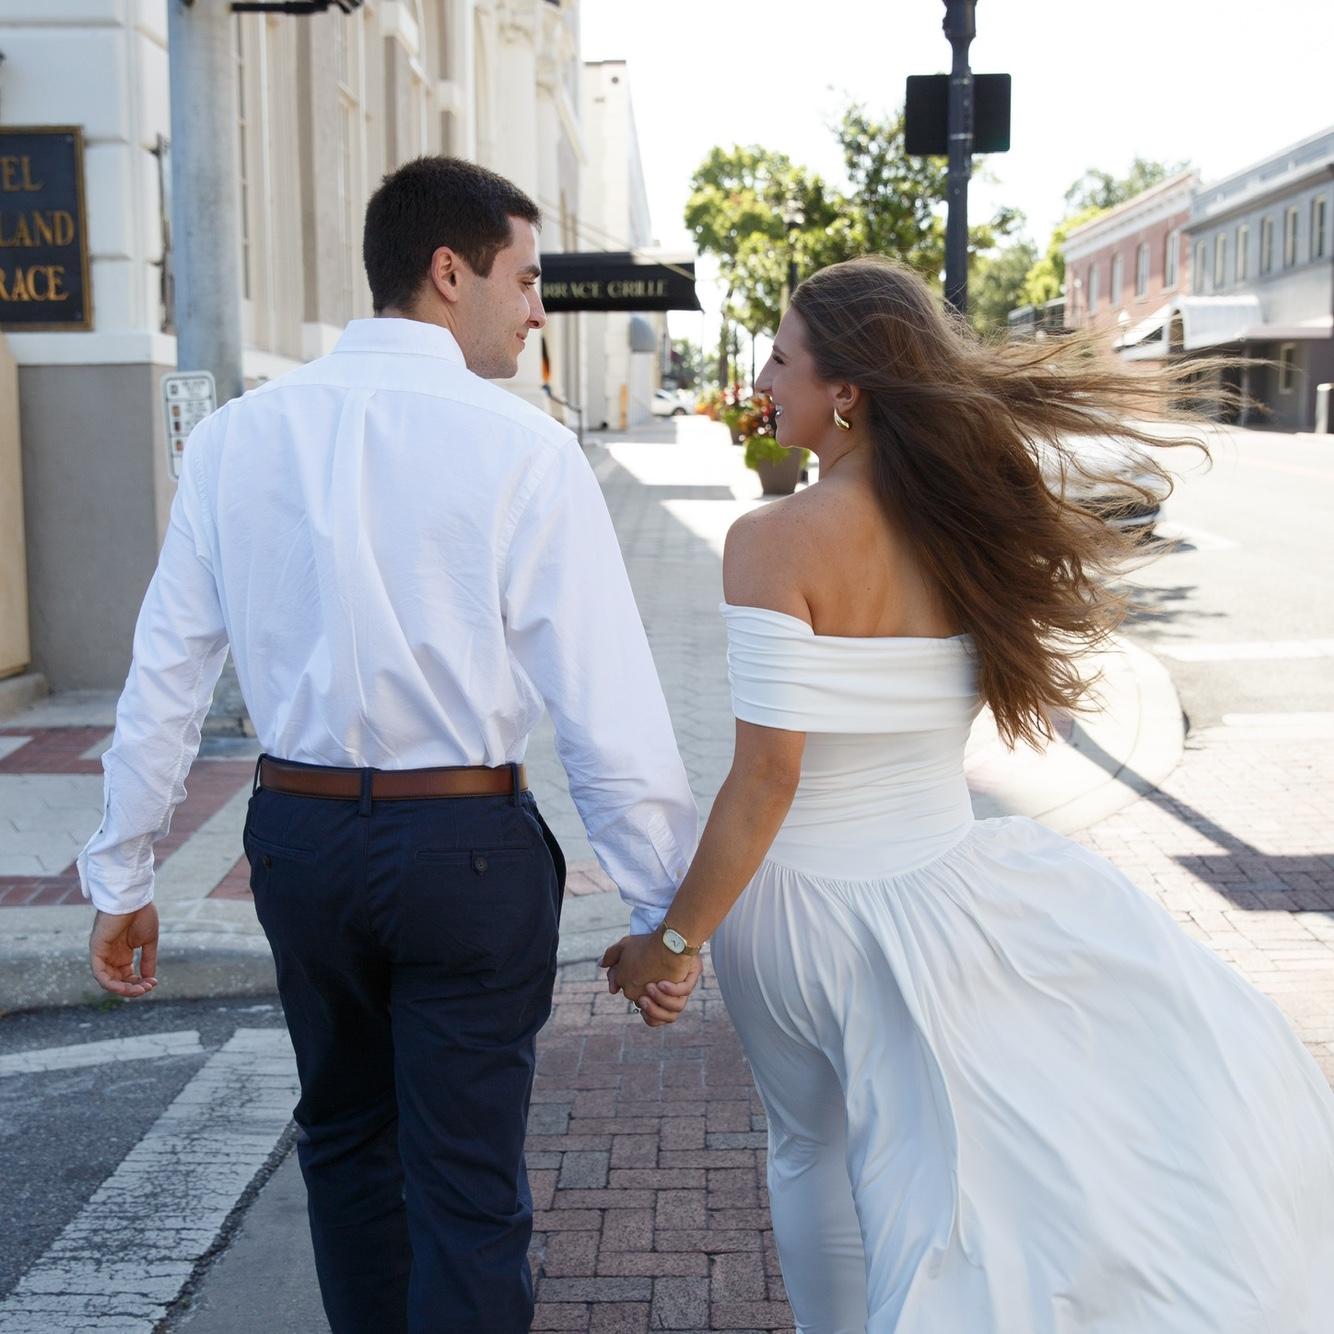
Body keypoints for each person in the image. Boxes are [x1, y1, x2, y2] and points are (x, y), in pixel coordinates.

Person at [602, 255, 1334, 1332]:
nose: (763, 370)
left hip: (801, 905)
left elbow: (767, 773)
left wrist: (672, 942)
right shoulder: (962, 528)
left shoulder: (772, 540)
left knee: (811, 1146)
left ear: (844, 387)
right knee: (935, 1165)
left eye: (781, 352)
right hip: (944, 885)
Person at [79, 156, 700, 1334]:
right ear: (446, 269)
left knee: (348, 1146)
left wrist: (123, 872)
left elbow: (165, 671)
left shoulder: (232, 441)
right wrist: (661, 910)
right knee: (467, 1181)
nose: (535, 310)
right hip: (464, 847)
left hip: (302, 841)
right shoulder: (522, 447)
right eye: (524, 281)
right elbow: (604, 704)